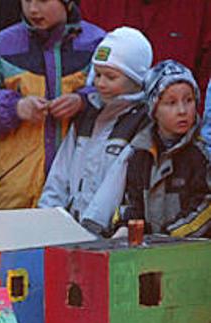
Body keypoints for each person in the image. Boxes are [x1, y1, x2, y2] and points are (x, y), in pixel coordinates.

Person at [0, 0, 105, 210]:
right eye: (26, 0)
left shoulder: (97, 44)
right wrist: (14, 108)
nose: (33, 9)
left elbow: (120, 94)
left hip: (79, 186)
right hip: (15, 186)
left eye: (42, 0)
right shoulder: (3, 45)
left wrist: (82, 101)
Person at [39, 27, 153, 235]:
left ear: (135, 78)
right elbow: (60, 173)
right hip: (67, 230)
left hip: (108, 235)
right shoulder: (86, 116)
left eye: (110, 77)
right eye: (97, 74)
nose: (100, 83)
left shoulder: (141, 123)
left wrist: (92, 228)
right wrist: (46, 217)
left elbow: (116, 185)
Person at [117, 61, 211, 237]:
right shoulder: (140, 153)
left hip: (192, 252)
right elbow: (131, 202)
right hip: (150, 253)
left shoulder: (202, 153)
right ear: (154, 110)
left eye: (189, 100)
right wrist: (125, 229)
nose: (182, 110)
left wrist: (170, 237)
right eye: (171, 103)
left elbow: (206, 208)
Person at [82, 0, 211, 99]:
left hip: (177, 127)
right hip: (103, 123)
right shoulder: (96, 5)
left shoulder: (201, 7)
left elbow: (204, 81)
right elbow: (81, 72)